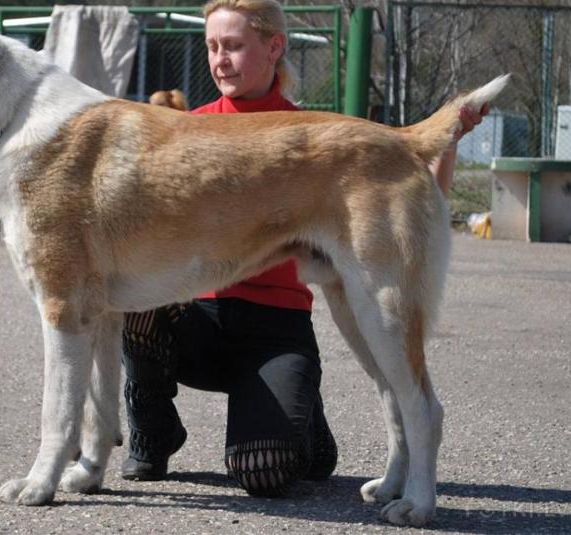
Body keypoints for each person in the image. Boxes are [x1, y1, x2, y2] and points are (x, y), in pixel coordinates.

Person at [120, 0, 487, 497]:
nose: (219, 60)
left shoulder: (317, 141)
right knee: (132, 302)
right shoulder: (189, 130)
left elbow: (409, 198)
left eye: (233, 46)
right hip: (200, 323)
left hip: (273, 329)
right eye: (211, 47)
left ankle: (313, 428)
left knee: (266, 471)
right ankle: (152, 432)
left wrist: (449, 141)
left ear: (274, 47)